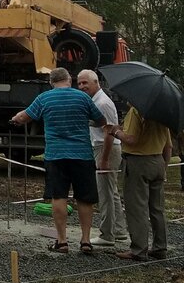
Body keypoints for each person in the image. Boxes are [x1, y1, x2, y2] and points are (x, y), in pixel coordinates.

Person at [11, 67, 114, 254]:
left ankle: (62, 241)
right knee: (85, 198)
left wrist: (16, 119)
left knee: (58, 196)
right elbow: (101, 121)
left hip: (56, 155)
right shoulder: (83, 98)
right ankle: (85, 241)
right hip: (82, 154)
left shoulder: (44, 98)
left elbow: (24, 117)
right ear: (69, 80)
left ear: (51, 82)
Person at [76, 69, 128, 249]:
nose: (82, 86)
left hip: (106, 148)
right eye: (79, 83)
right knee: (111, 191)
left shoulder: (103, 103)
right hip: (101, 147)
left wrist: (104, 159)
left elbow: (109, 133)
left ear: (96, 82)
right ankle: (119, 230)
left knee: (104, 193)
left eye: (85, 83)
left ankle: (107, 234)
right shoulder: (94, 101)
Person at [113, 107, 173, 262]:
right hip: (158, 160)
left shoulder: (136, 111)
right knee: (157, 208)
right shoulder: (162, 114)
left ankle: (139, 249)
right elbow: (168, 146)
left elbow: (131, 139)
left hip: (138, 161)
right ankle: (160, 247)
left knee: (137, 207)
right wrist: (164, 167)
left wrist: (116, 132)